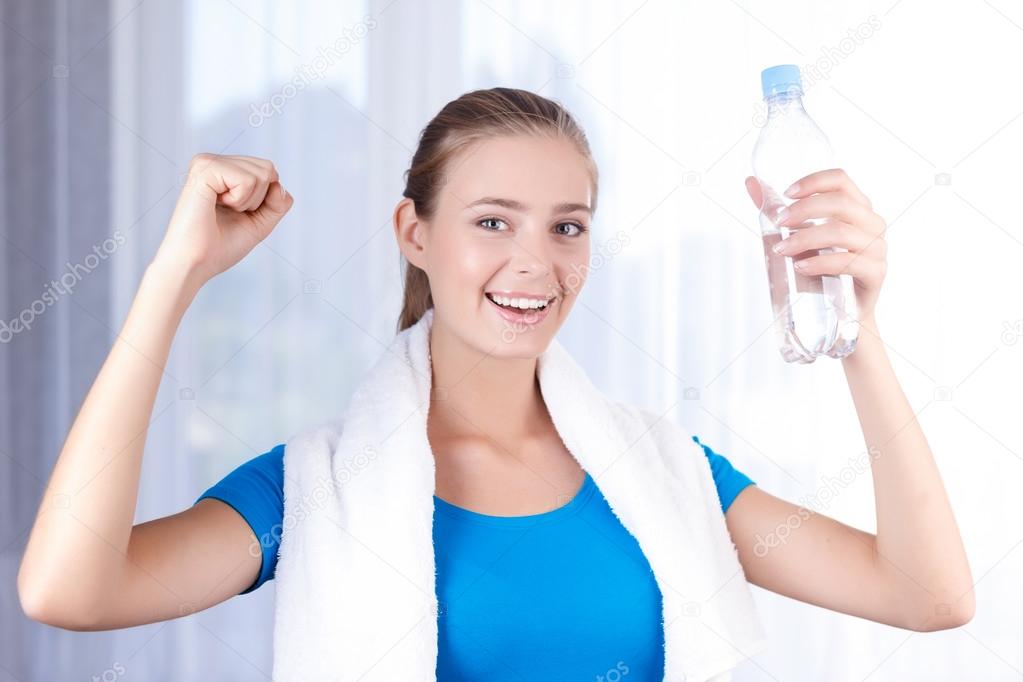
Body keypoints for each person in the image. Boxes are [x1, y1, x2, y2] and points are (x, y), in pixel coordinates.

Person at [18, 87, 974, 679]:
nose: (534, 262)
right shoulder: (316, 490)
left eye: (566, 226)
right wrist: (169, 280)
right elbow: (71, 591)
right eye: (491, 221)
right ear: (414, 234)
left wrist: (856, 331)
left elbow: (925, 595)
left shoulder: (661, 474)